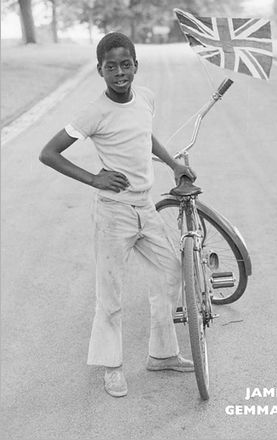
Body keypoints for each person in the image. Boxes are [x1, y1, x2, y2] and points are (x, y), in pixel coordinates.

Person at [39, 32, 196, 398]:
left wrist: (173, 164)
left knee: (171, 270)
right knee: (110, 292)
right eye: (112, 67)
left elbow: (145, 135)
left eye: (126, 65)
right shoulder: (94, 113)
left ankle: (162, 354)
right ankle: (112, 367)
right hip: (114, 214)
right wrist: (94, 178)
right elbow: (49, 153)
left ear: (136, 66)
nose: (120, 72)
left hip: (146, 206)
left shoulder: (145, 98)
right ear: (100, 70)